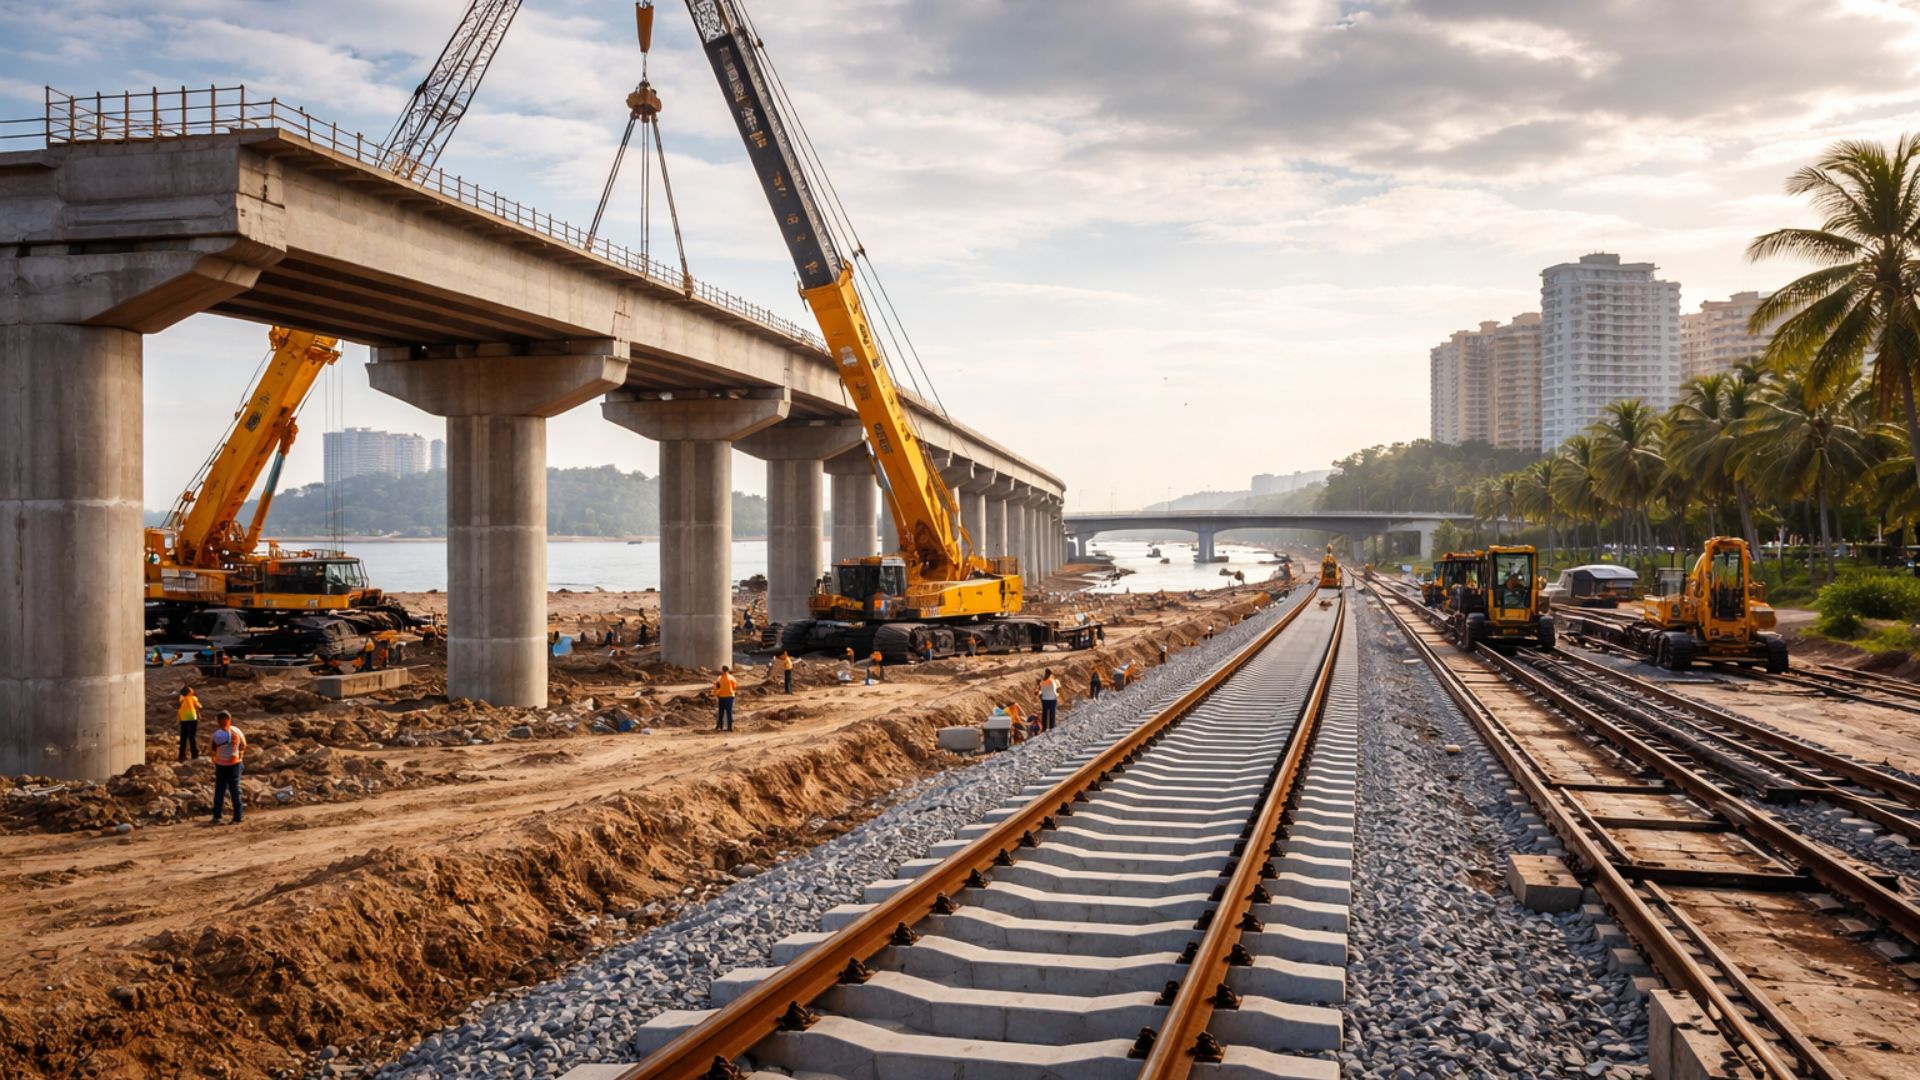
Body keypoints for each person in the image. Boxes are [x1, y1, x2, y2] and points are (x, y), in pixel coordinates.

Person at [208, 711, 246, 825]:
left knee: (219, 790)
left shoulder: (215, 735)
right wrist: (240, 756)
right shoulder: (236, 731)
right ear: (230, 719)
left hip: (221, 765)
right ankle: (237, 817)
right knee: (235, 790)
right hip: (234, 764)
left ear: (218, 721)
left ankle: (217, 816)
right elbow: (243, 745)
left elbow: (211, 750)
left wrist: (216, 759)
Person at [175, 685, 202, 762]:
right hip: (192, 718)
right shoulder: (193, 698)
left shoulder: (182, 699)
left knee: (183, 737)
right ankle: (194, 754)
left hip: (183, 718)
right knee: (192, 737)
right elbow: (199, 706)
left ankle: (181, 755)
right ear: (190, 692)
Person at [714, 667, 738, 731]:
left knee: (721, 712)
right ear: (728, 670)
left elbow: (716, 687)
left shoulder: (719, 678)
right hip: (730, 697)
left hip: (721, 697)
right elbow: (734, 687)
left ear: (722, 670)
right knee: (729, 712)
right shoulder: (732, 678)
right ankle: (730, 727)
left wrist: (716, 694)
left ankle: (720, 727)